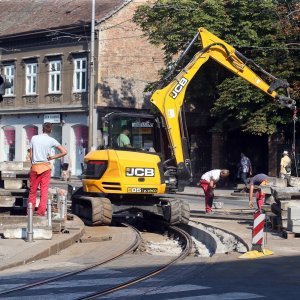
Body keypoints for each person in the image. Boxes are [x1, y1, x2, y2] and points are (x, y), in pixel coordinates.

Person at [28, 122, 67, 216]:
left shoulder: (34, 138)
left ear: (42, 129)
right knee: (44, 191)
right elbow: (64, 151)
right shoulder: (51, 140)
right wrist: (52, 157)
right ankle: (41, 213)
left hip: (35, 167)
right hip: (46, 167)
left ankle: (30, 211)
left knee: (32, 191)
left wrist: (33, 164)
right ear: (51, 130)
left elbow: (30, 154)